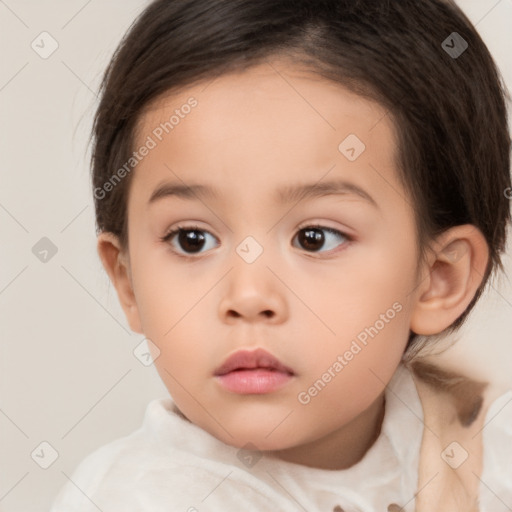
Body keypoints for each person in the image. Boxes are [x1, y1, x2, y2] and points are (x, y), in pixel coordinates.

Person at [49, 0, 512, 510]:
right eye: (192, 239)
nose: (248, 297)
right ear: (128, 280)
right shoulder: (142, 497)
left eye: (315, 237)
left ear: (438, 278)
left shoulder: (480, 446)